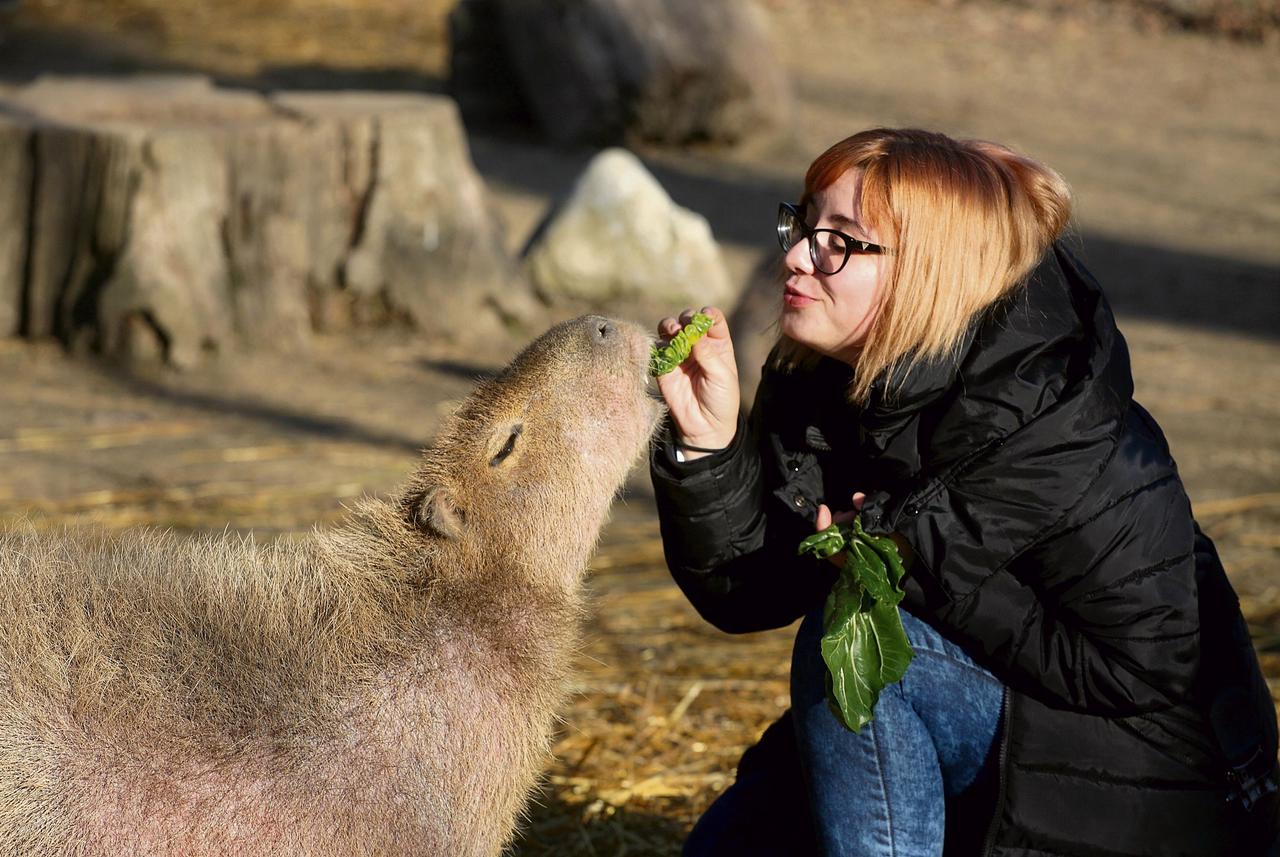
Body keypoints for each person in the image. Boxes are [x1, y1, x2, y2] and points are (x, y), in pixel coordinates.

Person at [649, 127, 1280, 856]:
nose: (795, 254)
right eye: (803, 222)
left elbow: (1151, 670)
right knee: (731, 842)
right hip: (995, 722)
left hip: (1170, 788)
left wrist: (904, 568)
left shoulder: (1063, 427)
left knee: (856, 645)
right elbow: (747, 593)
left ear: (929, 273)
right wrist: (711, 444)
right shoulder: (829, 379)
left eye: (840, 241)